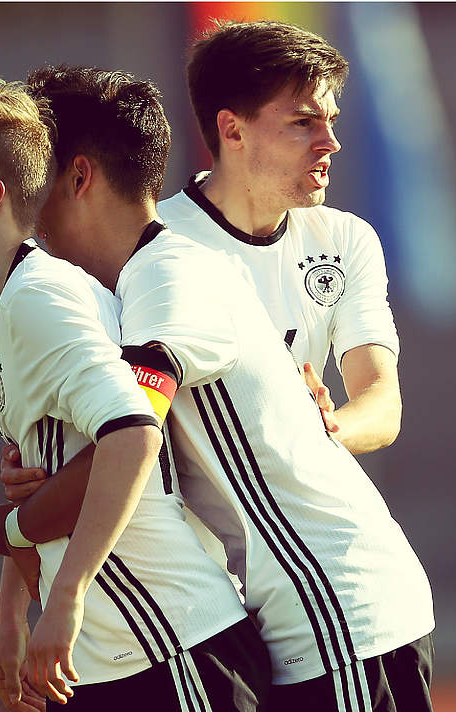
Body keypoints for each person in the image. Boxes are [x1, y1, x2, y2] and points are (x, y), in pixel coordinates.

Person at [0, 63, 448, 712]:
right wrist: (15, 595)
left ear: (77, 178)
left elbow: (128, 440)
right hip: (288, 620)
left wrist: (15, 538)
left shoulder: (170, 275)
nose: (23, 200)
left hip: (338, 609)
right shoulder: (110, 290)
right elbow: (86, 463)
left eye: (37, 176)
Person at [0, 70, 266, 712]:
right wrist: (10, 615)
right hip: (98, 672)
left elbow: (133, 432)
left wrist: (63, 598)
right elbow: (45, 489)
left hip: (174, 655)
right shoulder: (0, 322)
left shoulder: (42, 298)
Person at [161, 20, 401, 455]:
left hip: (303, 513)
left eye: (331, 121)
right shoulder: (155, 244)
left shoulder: (347, 238)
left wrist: (323, 429)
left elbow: (382, 404)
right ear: (232, 130)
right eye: (304, 122)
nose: (331, 143)